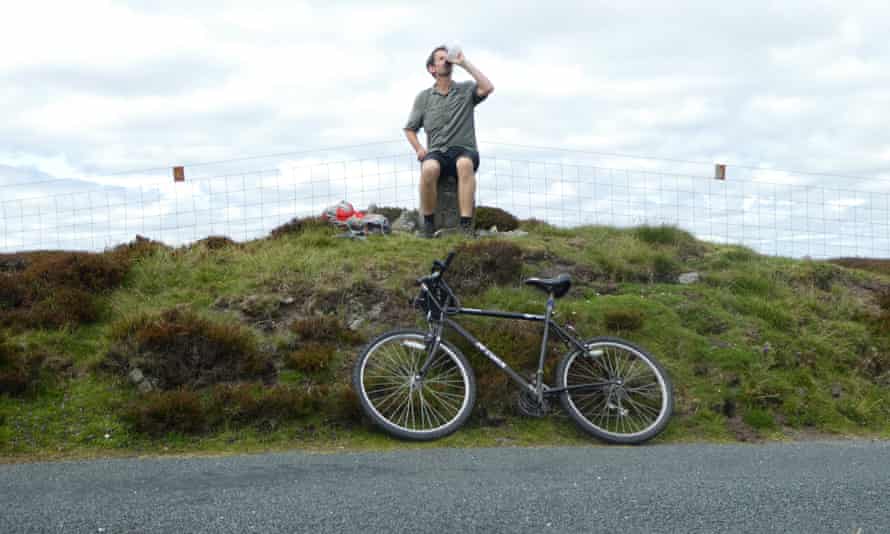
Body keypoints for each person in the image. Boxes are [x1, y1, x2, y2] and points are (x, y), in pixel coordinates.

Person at [404, 45, 494, 238]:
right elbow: (410, 129)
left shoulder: (466, 89)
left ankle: (465, 226)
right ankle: (428, 225)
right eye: (441, 58)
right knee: (428, 169)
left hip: (464, 149)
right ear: (432, 68)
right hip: (437, 152)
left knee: (464, 164)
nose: (447, 61)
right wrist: (419, 148)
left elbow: (488, 87)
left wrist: (464, 63)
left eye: (448, 58)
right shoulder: (424, 98)